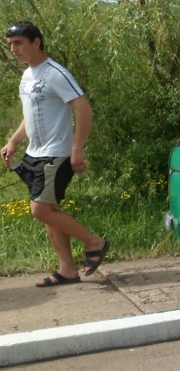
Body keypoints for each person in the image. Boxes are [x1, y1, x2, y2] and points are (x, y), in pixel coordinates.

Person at [2, 21, 109, 288]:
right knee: (49, 210)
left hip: (56, 153)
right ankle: (67, 269)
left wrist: (77, 149)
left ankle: (95, 242)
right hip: (34, 153)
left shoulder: (55, 73)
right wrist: (14, 141)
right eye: (10, 44)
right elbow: (31, 117)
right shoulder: (28, 76)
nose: (13, 49)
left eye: (18, 43)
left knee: (40, 209)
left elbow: (83, 109)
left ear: (36, 42)